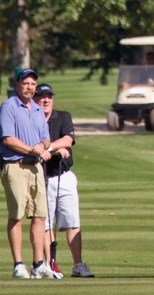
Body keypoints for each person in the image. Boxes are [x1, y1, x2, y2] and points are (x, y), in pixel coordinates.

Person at [0, 68, 60, 279]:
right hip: (15, 165)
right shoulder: (8, 106)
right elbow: (7, 139)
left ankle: (38, 264)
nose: (29, 87)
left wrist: (42, 147)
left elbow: (45, 138)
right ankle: (18, 264)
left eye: (33, 84)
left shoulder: (36, 109)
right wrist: (32, 149)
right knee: (17, 215)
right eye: (25, 83)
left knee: (40, 215)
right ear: (17, 85)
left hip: (35, 166)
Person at [33, 83, 95, 278]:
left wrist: (48, 149)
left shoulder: (63, 116)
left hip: (64, 175)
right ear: (35, 100)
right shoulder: (31, 120)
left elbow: (68, 140)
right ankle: (50, 264)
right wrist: (52, 148)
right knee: (45, 224)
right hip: (41, 177)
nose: (46, 100)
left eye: (49, 96)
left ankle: (78, 264)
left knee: (72, 222)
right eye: (42, 96)